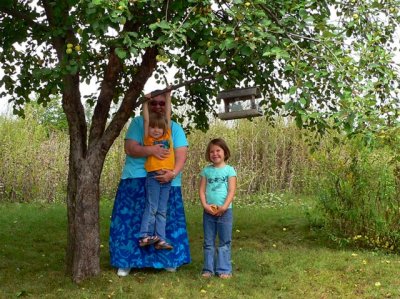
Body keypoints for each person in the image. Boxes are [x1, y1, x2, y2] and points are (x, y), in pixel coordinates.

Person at [109, 88, 191, 277]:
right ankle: (127, 261)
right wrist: (152, 151)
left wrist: (173, 173)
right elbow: (130, 148)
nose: (158, 106)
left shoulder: (174, 127)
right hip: (136, 178)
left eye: (162, 103)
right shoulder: (139, 124)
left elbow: (181, 155)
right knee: (133, 221)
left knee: (164, 217)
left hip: (167, 179)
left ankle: (168, 260)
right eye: (153, 103)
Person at [139, 92, 174, 250]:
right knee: (152, 207)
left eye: (159, 128)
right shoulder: (149, 139)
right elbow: (146, 120)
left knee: (162, 210)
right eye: (153, 128)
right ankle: (144, 235)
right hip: (153, 176)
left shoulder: (167, 135)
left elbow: (167, 114)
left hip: (166, 177)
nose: (155, 130)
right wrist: (145, 102)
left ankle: (160, 239)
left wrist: (168, 96)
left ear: (164, 129)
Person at [199, 138, 237, 279]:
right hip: (209, 212)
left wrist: (224, 207)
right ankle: (208, 269)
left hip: (225, 212)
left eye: (218, 150)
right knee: (208, 241)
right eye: (211, 151)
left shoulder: (230, 170)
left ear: (225, 152)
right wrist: (205, 205)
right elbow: (202, 191)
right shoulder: (206, 171)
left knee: (224, 242)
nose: (215, 154)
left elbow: (231, 191)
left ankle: (224, 269)